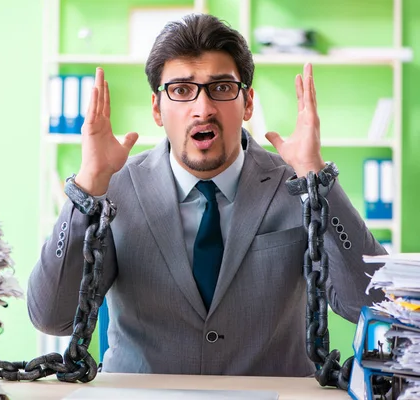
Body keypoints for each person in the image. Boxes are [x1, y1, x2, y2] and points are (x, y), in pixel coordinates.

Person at [27, 13, 387, 376]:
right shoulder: (115, 188)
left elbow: (372, 306)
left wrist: (316, 177)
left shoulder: (294, 184)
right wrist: (88, 185)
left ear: (247, 103)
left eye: (221, 88)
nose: (203, 109)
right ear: (157, 108)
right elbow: (52, 317)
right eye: (182, 90)